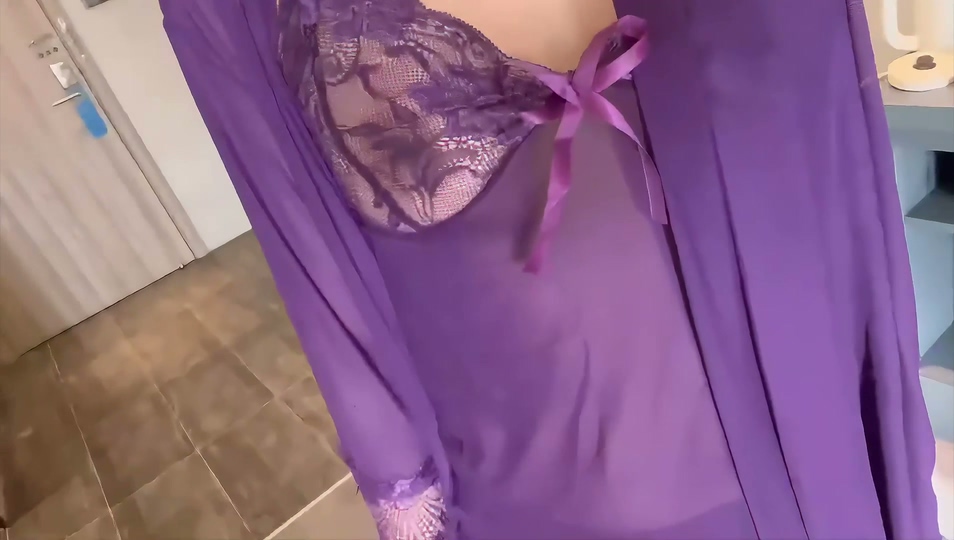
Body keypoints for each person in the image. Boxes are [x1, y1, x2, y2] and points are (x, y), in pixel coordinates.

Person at [162, 0, 941, 538]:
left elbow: (846, 195)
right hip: (543, 508)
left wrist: (898, 469)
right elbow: (329, 305)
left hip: (819, 473)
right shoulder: (239, 17)